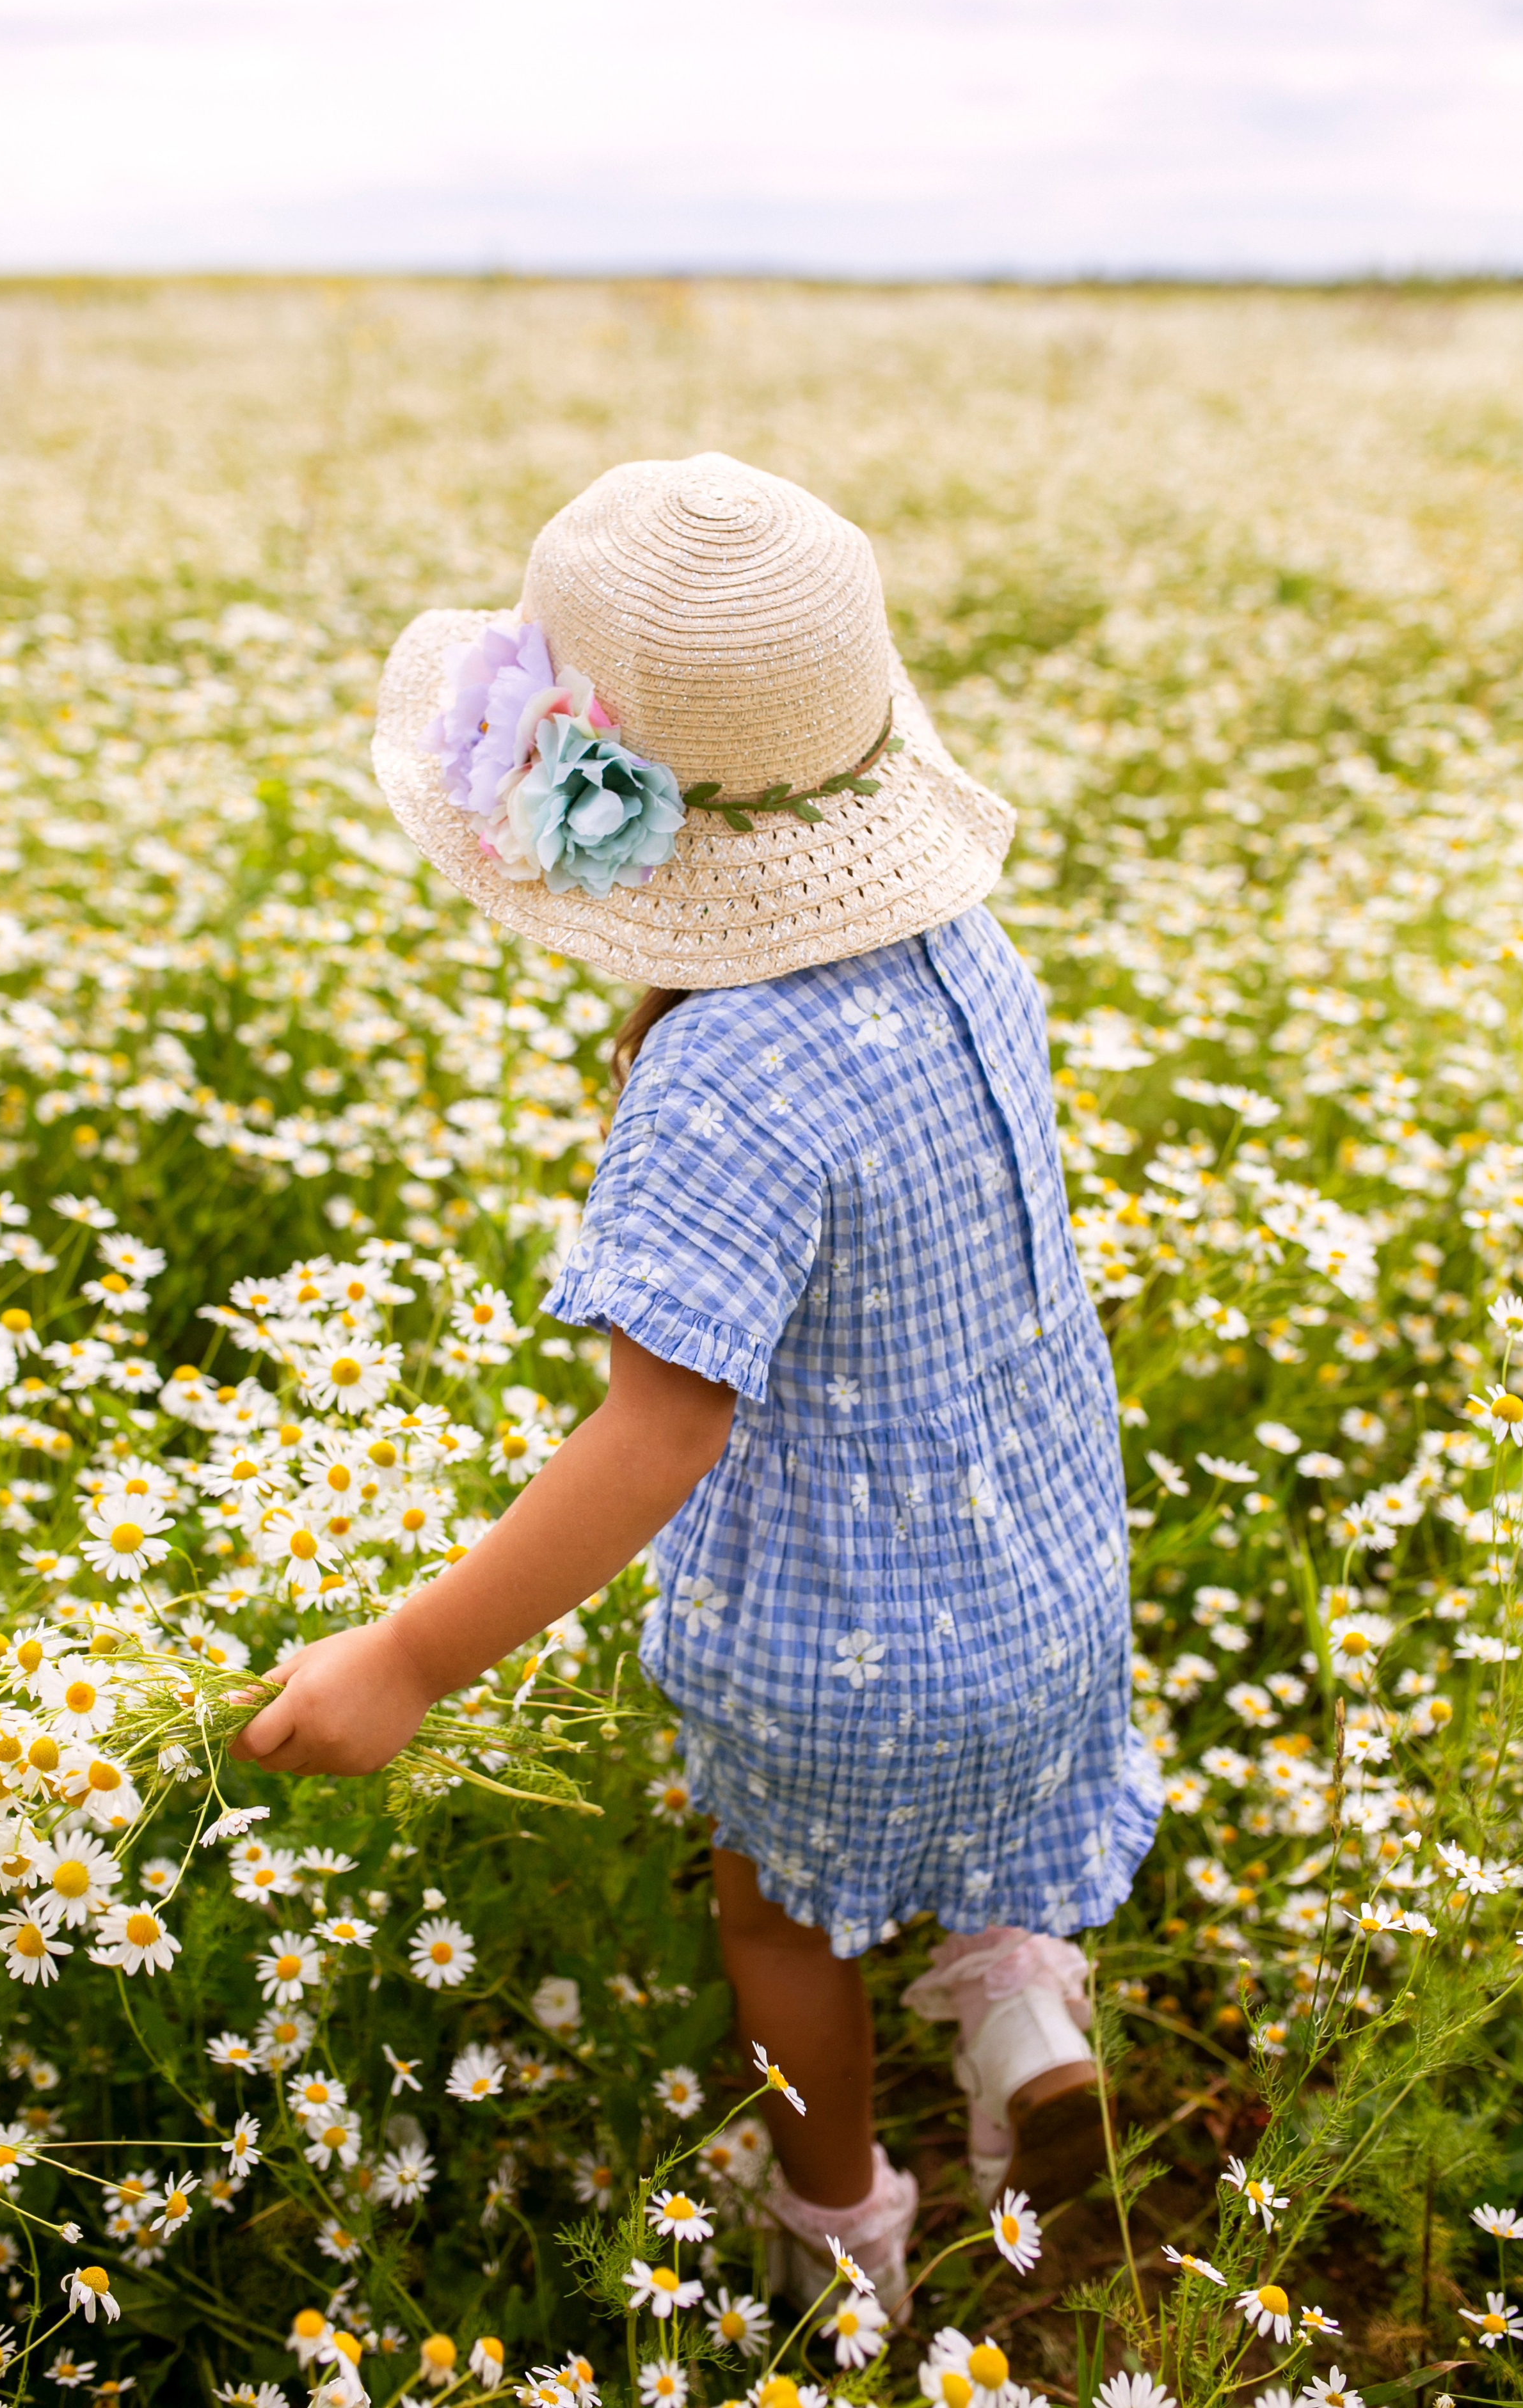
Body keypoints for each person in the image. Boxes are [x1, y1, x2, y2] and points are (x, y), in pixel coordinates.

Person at [234, 454, 1160, 2315]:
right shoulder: (969, 954)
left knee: (779, 1912)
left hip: (831, 1641)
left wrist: (407, 1659)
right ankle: (1013, 2024)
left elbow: (661, 1432)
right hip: (1050, 1575)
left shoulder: (727, 1074)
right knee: (989, 1813)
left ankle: (842, 2230)